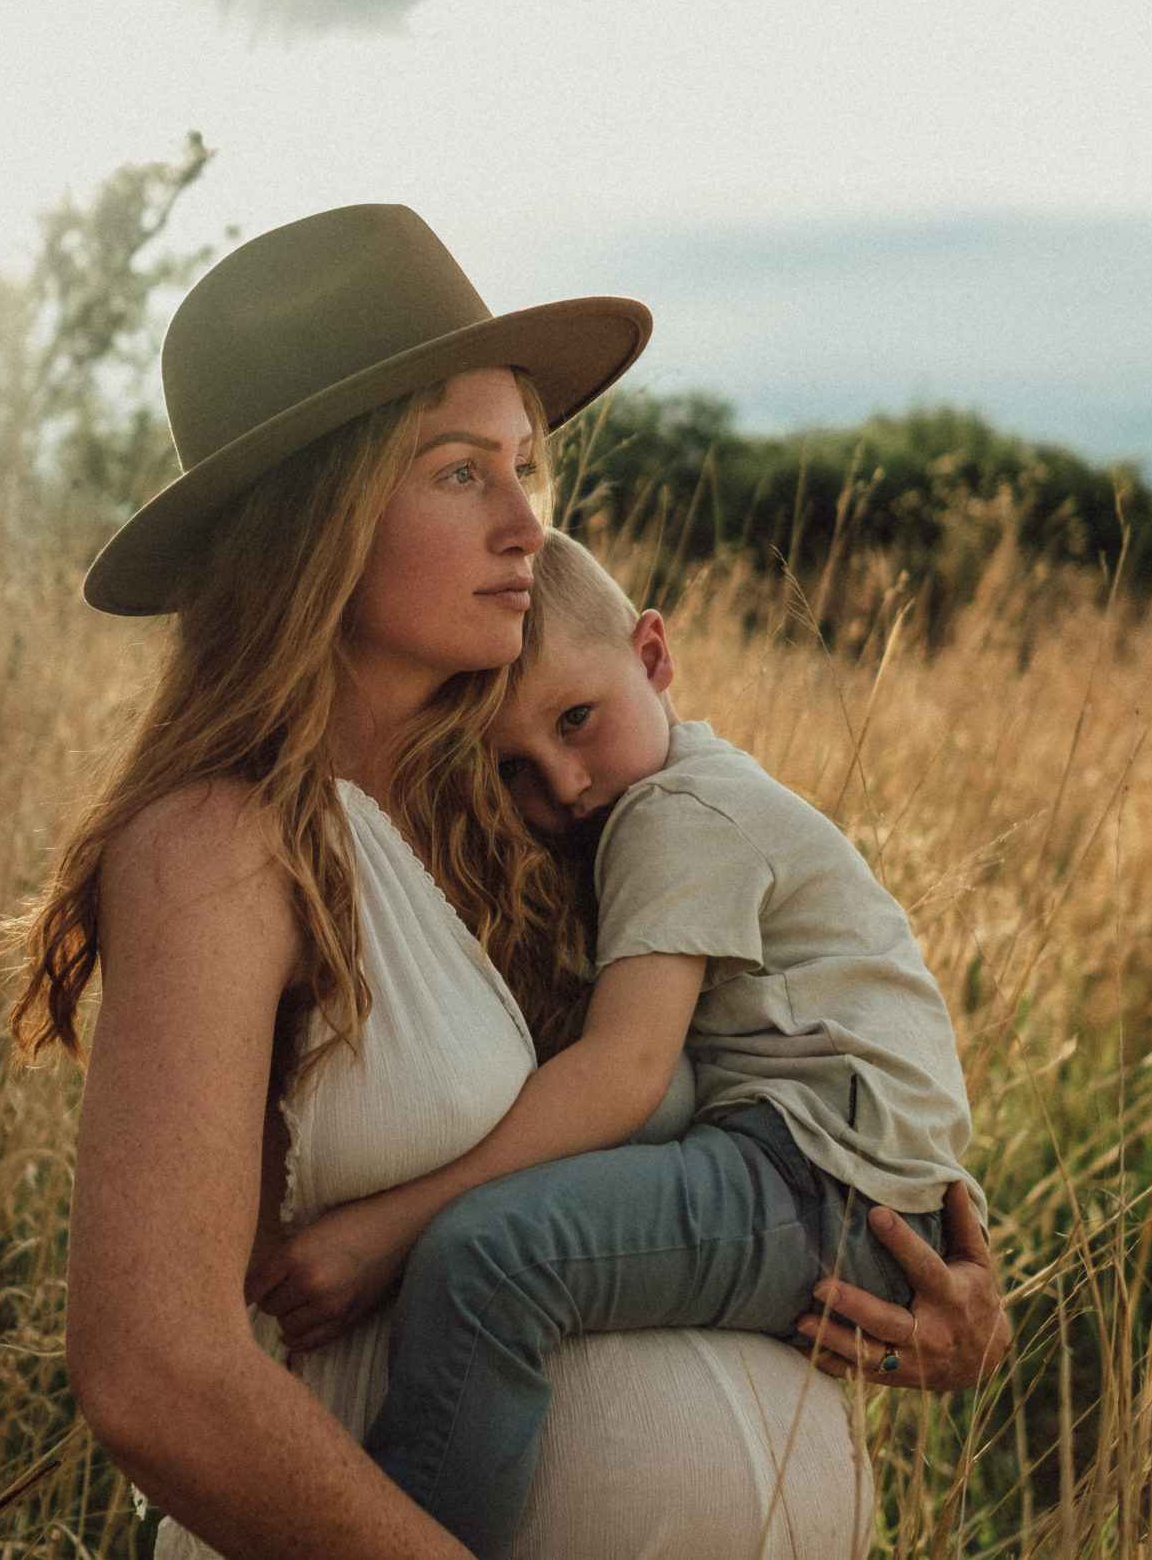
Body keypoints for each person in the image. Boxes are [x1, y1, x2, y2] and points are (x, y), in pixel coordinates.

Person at [9, 204, 1010, 1560]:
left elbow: (740, 1114)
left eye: (528, 468)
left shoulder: (539, 816)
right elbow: (155, 1367)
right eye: (462, 472)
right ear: (323, 512)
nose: (528, 526)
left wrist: (926, 1297)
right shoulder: (219, 843)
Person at [245, 529, 982, 1557]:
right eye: (513, 766)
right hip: (826, 1172)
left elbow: (627, 1073)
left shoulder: (674, 811)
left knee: (488, 1261)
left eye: (578, 720)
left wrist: (390, 1232)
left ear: (652, 656)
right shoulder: (657, 808)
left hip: (817, 1175)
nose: (563, 784)